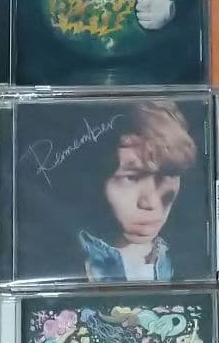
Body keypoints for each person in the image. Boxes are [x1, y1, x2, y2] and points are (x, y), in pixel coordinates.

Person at [79, 102, 198, 282]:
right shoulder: (64, 261)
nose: (150, 202)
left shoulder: (192, 261)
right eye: (131, 177)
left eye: (168, 175)